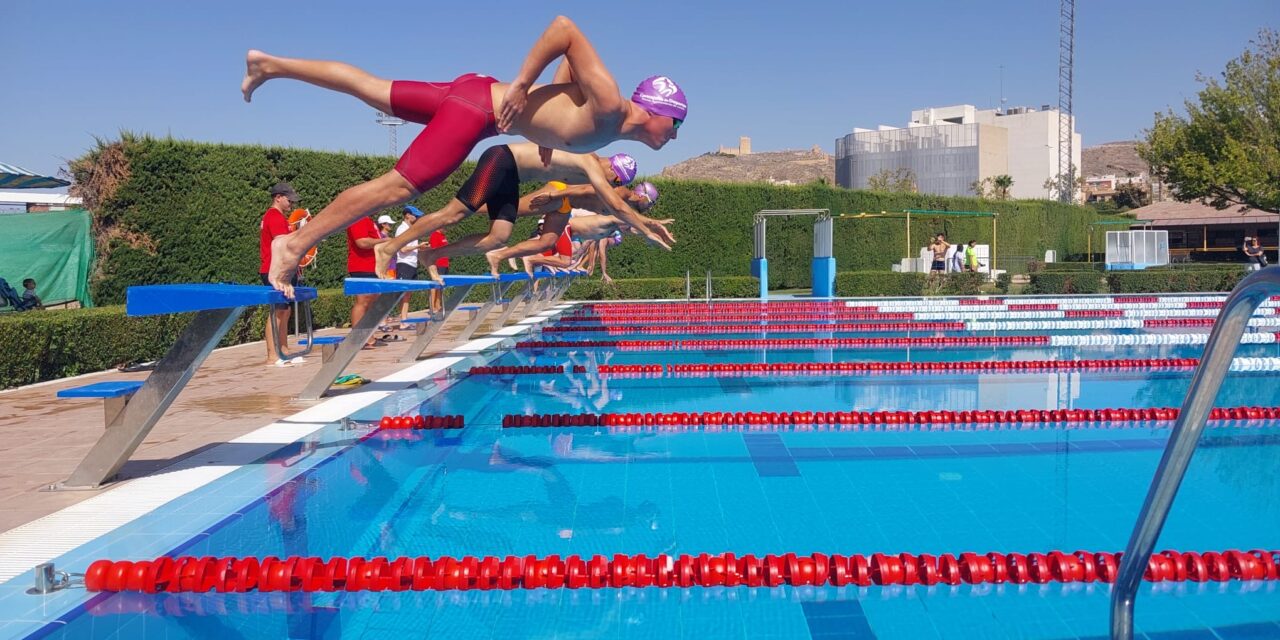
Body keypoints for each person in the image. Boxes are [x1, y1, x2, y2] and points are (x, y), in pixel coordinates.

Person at [244, 15, 687, 297]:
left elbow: (571, 69)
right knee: (395, 189)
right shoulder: (610, 105)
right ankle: (295, 244)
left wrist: (548, 124)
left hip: (474, 90)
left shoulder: (605, 118)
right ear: (658, 113)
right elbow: (564, 28)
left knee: (375, 89)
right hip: (478, 114)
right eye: (677, 125)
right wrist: (522, 85)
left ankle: (270, 65)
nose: (675, 136)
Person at [374, 142, 668, 279]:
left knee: (497, 237)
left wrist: (648, 221)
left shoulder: (596, 173)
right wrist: (647, 228)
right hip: (501, 161)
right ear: (613, 169)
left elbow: (597, 198)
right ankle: (390, 247)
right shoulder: (590, 162)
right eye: (615, 179)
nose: (613, 184)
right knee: (456, 213)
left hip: (512, 178)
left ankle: (432, 254)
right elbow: (609, 202)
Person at [484, 183, 664, 278]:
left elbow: (631, 227)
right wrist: (653, 227)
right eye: (649, 203)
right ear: (642, 196)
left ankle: (513, 255)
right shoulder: (619, 208)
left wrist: (651, 232)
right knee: (551, 250)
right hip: (565, 221)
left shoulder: (618, 214)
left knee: (551, 249)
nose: (647, 207)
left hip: (569, 224)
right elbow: (632, 222)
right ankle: (519, 257)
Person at [259, 182, 302, 366]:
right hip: (274, 271)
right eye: (289, 200)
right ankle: (272, 355)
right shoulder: (274, 216)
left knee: (285, 310)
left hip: (283, 270)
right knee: (277, 311)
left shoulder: (279, 217)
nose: (291, 204)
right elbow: (282, 244)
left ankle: (283, 350)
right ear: (278, 198)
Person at [346, 215, 388, 348]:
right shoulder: (358, 218)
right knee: (363, 301)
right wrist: (383, 241)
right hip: (361, 266)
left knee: (371, 303)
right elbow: (361, 242)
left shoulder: (368, 219)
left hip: (372, 266)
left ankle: (369, 336)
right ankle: (358, 338)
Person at [392, 206, 424, 328]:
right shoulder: (402, 230)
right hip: (404, 264)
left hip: (411, 263)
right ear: (407, 215)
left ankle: (404, 320)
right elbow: (403, 249)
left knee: (408, 294)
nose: (417, 218)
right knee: (403, 293)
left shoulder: (411, 230)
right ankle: (402, 321)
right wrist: (418, 246)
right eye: (415, 215)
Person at [427, 228, 449, 319]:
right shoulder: (434, 235)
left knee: (440, 286)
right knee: (434, 285)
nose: (447, 229)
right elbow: (433, 250)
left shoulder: (443, 235)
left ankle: (438, 305)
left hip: (444, 263)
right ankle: (432, 307)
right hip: (438, 264)